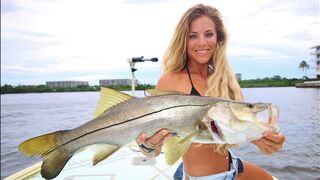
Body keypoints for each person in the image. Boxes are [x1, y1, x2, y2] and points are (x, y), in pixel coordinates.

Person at [136, 4, 286, 180]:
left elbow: (242, 130)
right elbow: (155, 149)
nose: (202, 42)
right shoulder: (171, 81)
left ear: (218, 39)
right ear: (183, 40)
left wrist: (266, 141)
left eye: (209, 34)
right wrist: (147, 146)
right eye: (193, 36)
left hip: (233, 166)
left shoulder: (226, 80)